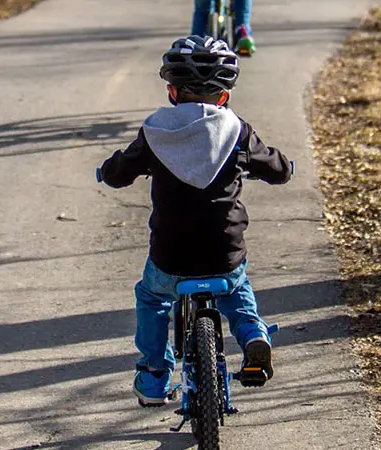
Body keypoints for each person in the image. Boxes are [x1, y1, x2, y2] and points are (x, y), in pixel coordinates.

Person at [98, 35, 292, 406]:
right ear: (224, 96)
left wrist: (109, 171)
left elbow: (121, 170)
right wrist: (285, 167)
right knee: (235, 289)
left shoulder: (156, 131)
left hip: (171, 257)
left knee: (152, 297)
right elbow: (275, 168)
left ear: (172, 91)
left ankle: (154, 375)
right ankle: (253, 334)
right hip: (224, 252)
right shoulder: (237, 131)